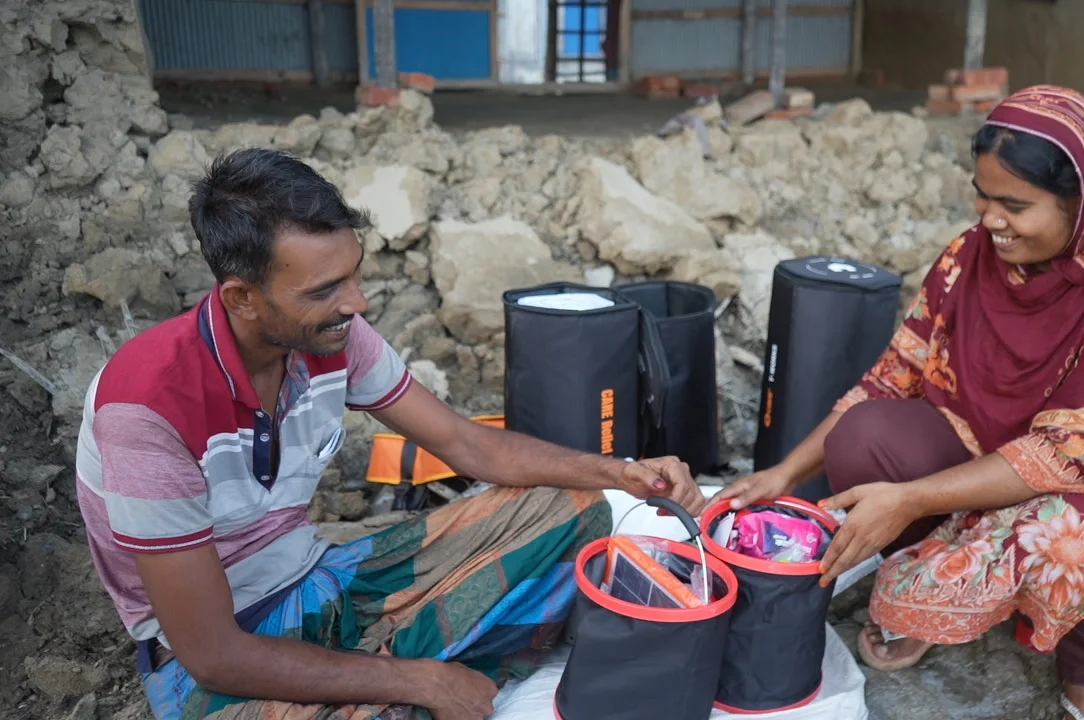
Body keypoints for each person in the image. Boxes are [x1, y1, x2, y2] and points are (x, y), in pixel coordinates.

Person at [74, 147, 707, 720]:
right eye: (327, 289)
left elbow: (468, 445)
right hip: (213, 657)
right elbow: (213, 652)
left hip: (323, 579)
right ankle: (420, 669)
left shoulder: (331, 336)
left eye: (354, 274)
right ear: (242, 298)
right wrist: (418, 682)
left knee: (576, 507)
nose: (358, 303)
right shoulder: (147, 410)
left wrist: (619, 471)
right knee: (409, 700)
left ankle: (402, 669)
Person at [712, 85, 1084, 720]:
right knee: (863, 435)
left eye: (1014, 204)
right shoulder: (974, 257)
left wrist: (908, 499)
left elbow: (1076, 456)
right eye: (981, 196)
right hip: (984, 457)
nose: (989, 219)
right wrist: (783, 474)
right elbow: (890, 377)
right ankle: (943, 589)